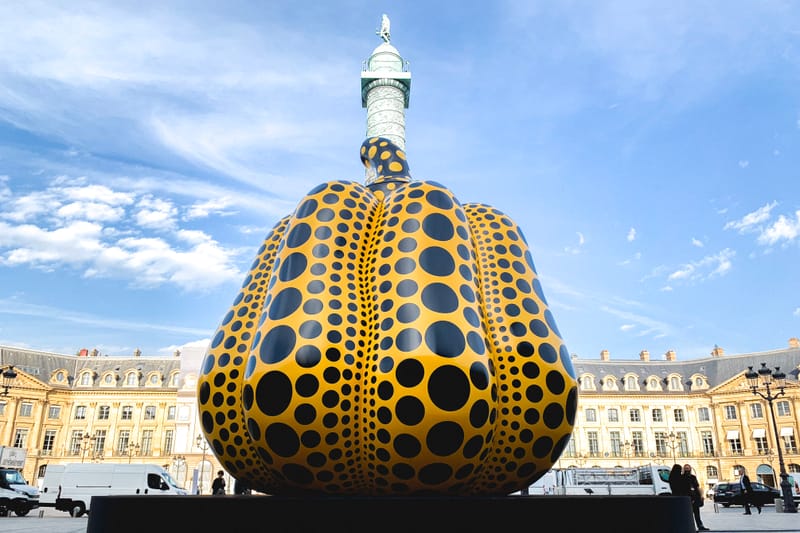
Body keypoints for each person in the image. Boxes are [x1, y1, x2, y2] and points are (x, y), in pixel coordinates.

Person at [682, 464, 709, 531]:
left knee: (697, 513)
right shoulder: (682, 477)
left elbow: (697, 487)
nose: (687, 470)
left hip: (695, 496)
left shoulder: (693, 477)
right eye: (686, 468)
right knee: (687, 514)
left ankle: (700, 525)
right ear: (684, 469)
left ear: (690, 469)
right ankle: (687, 526)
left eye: (688, 468)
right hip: (687, 497)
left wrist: (701, 495)